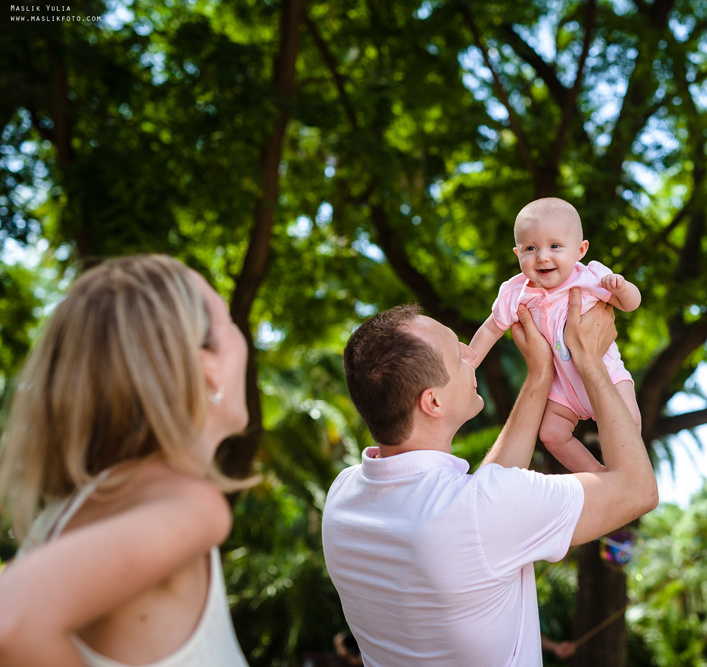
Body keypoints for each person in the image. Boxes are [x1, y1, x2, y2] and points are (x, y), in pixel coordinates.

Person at [322, 289, 658, 665]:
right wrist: (589, 359)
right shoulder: (479, 513)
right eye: (457, 354)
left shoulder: (342, 498)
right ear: (433, 401)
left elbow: (481, 502)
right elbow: (637, 489)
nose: (471, 352)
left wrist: (540, 375)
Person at [0, 254, 253, 667]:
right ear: (207, 367)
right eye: (228, 320)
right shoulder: (191, 507)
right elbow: (8, 621)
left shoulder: (84, 505)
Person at [470, 197, 642, 474]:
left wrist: (621, 289)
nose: (542, 256)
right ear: (517, 254)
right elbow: (491, 328)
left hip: (606, 374)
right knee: (551, 434)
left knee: (630, 421)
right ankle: (597, 475)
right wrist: (468, 364)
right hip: (562, 388)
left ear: (580, 250)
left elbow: (630, 304)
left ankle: (622, 471)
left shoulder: (590, 278)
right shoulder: (516, 293)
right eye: (530, 248)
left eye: (555, 246)